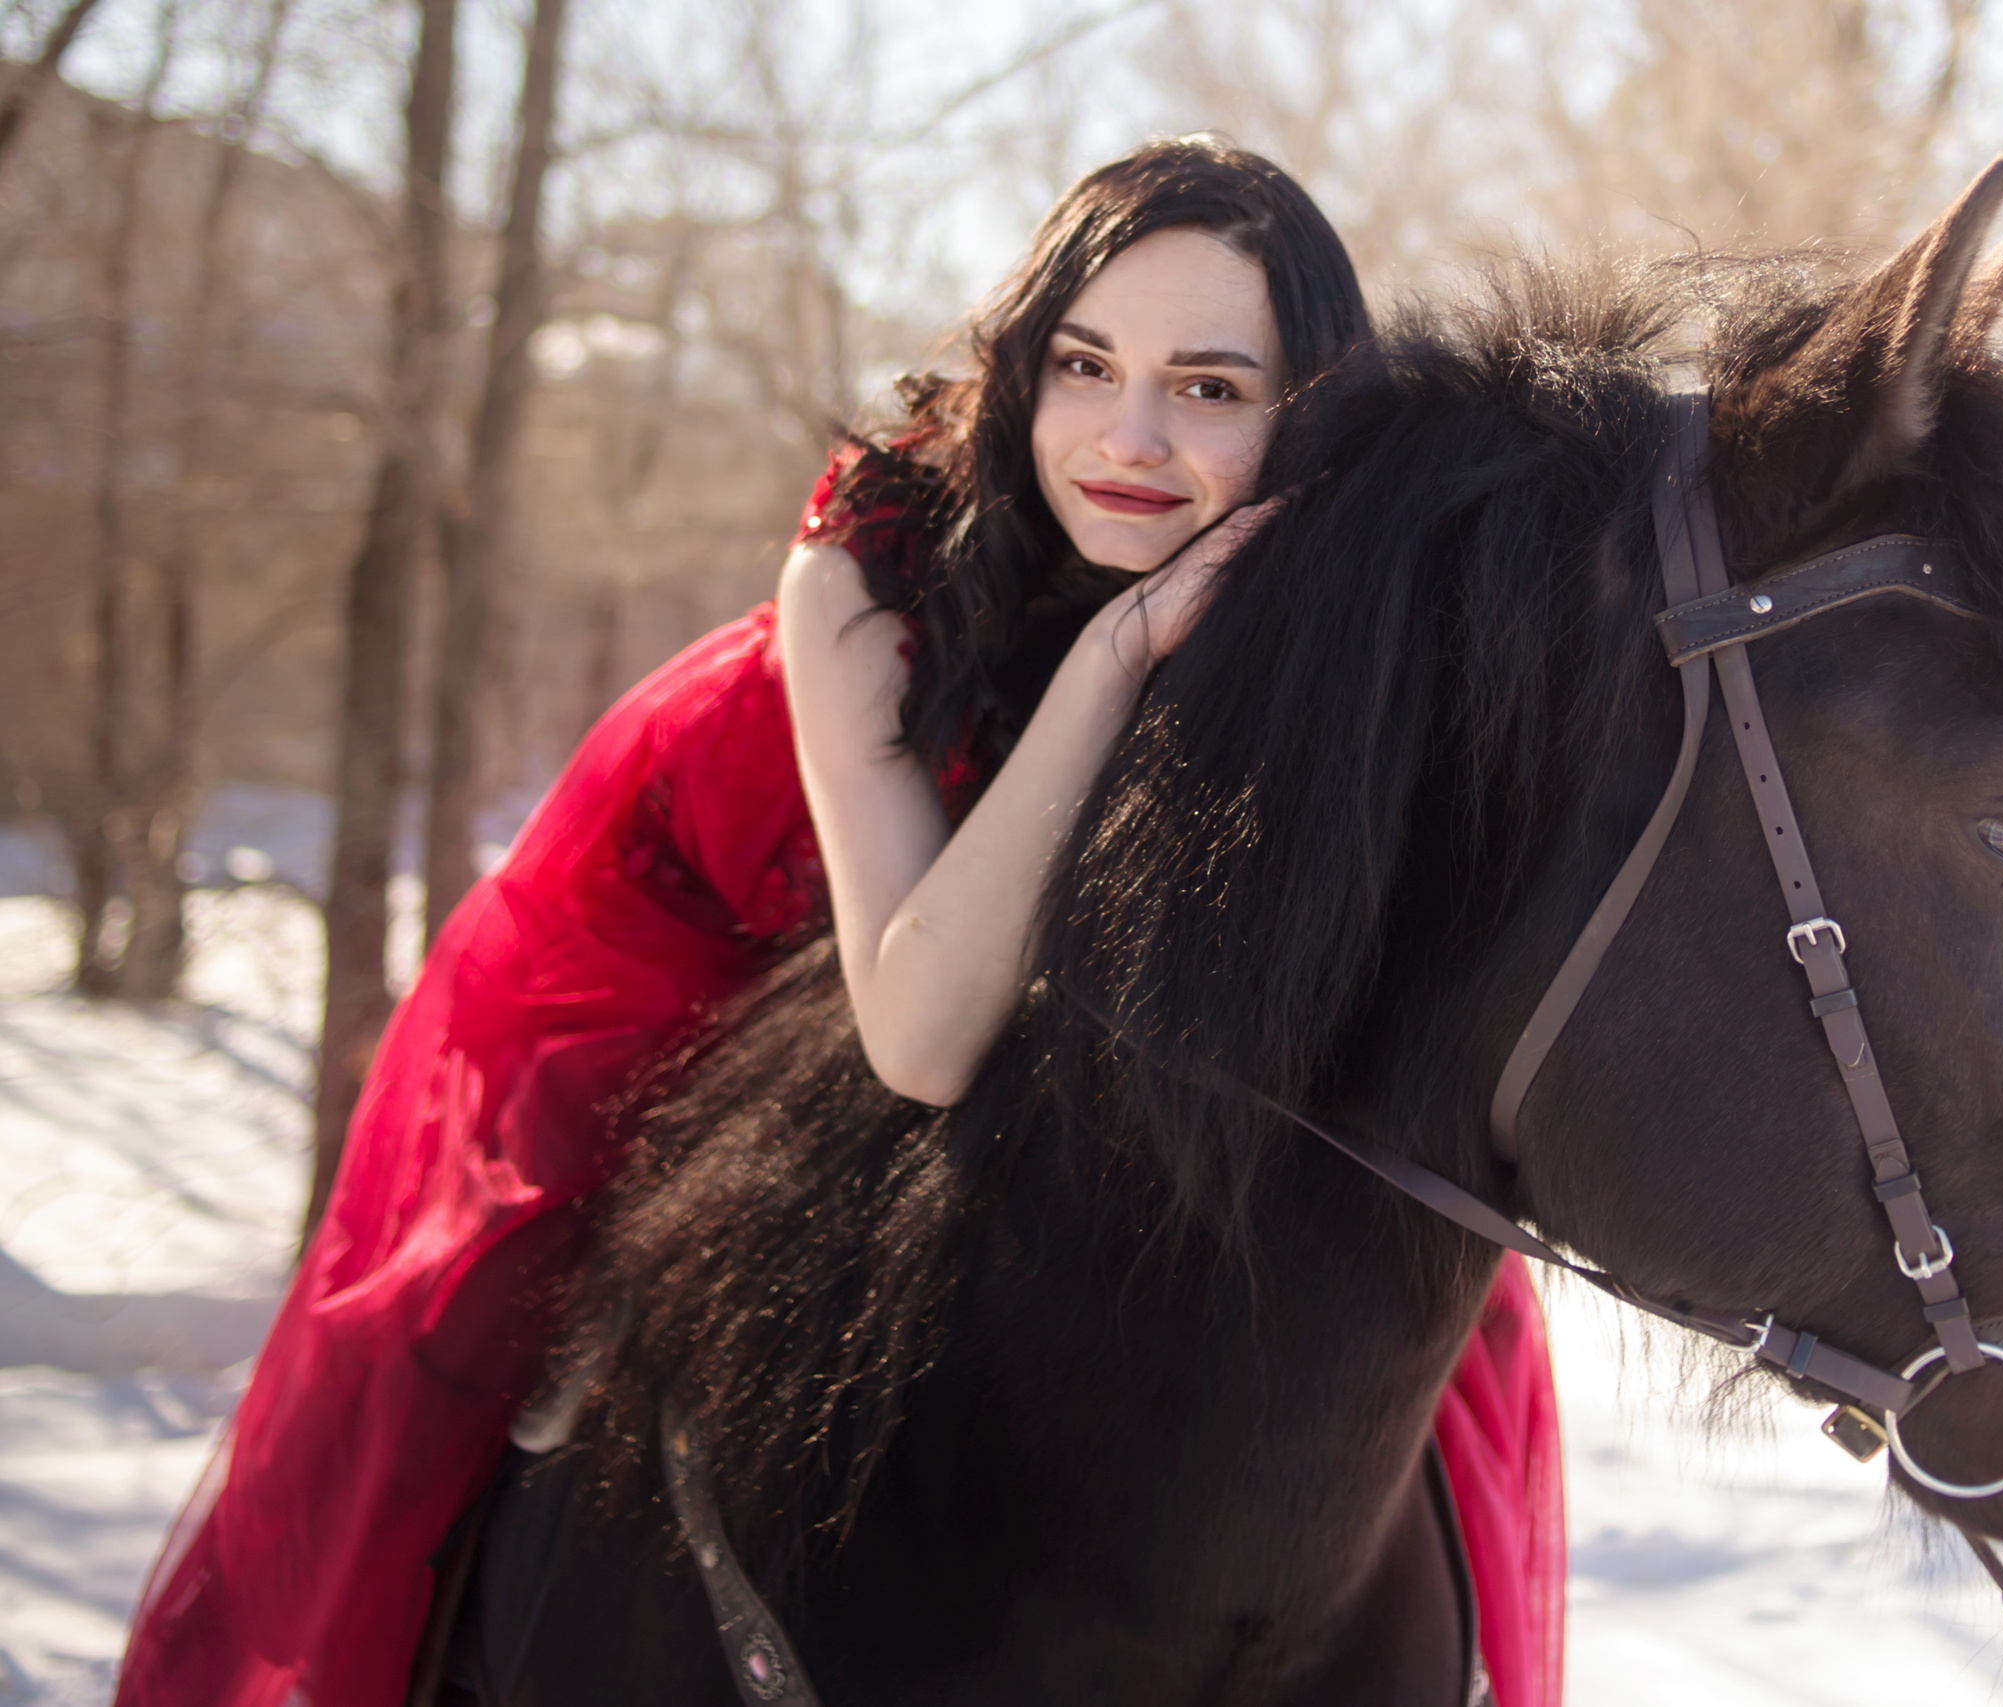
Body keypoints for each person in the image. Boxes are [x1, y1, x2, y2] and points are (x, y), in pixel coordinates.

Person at [115, 138, 1562, 1707]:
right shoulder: (869, 564)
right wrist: (1119, 655)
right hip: (715, 927)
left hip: (977, 966)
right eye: (1085, 365)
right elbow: (925, 1037)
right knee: (467, 1347)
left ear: (1310, 414)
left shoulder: (1323, 597)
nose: (1128, 440)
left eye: (1210, 389)